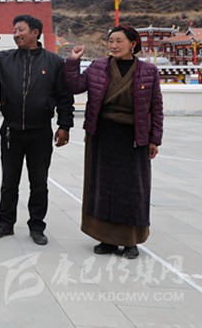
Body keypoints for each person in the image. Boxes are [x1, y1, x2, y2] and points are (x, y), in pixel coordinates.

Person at [0, 14, 73, 245]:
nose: (16, 34)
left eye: (21, 30)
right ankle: (5, 223)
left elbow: (63, 96)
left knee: (39, 182)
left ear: (35, 33)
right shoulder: (4, 58)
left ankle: (37, 226)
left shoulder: (54, 62)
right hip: (11, 130)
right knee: (9, 181)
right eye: (14, 30)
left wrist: (64, 125)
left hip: (40, 131)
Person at [64, 26, 163, 259]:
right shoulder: (98, 66)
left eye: (119, 41)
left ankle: (130, 241)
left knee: (133, 189)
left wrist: (154, 139)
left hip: (133, 136)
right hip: (103, 134)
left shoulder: (148, 71)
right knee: (102, 186)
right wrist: (73, 62)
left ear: (133, 44)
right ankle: (105, 238)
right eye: (111, 41)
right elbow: (75, 86)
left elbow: (156, 107)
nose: (113, 45)